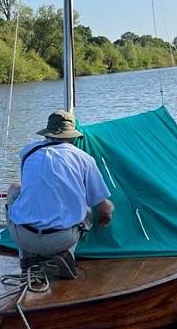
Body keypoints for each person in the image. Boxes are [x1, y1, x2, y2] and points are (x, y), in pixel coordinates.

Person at [7, 110, 114, 278]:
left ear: (47, 134)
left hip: (23, 235)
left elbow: (29, 187)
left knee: (14, 190)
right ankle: (66, 254)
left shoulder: (27, 153)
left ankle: (26, 257)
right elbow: (105, 208)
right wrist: (104, 222)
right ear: (72, 137)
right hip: (61, 239)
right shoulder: (84, 159)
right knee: (87, 211)